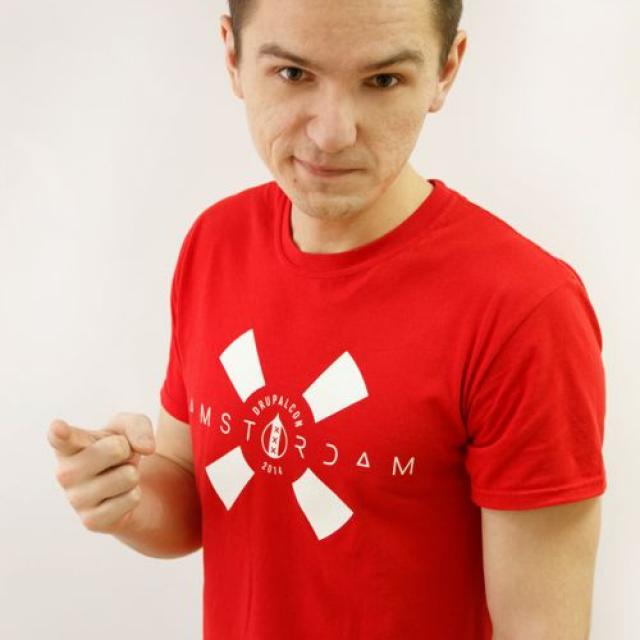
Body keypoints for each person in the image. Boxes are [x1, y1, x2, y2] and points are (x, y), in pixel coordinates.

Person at [47, 1, 607, 638]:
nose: (333, 132)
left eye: (383, 80)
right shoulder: (216, 243)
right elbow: (192, 489)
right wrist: (127, 494)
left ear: (446, 70)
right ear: (231, 55)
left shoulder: (525, 311)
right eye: (293, 74)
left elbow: (542, 628)